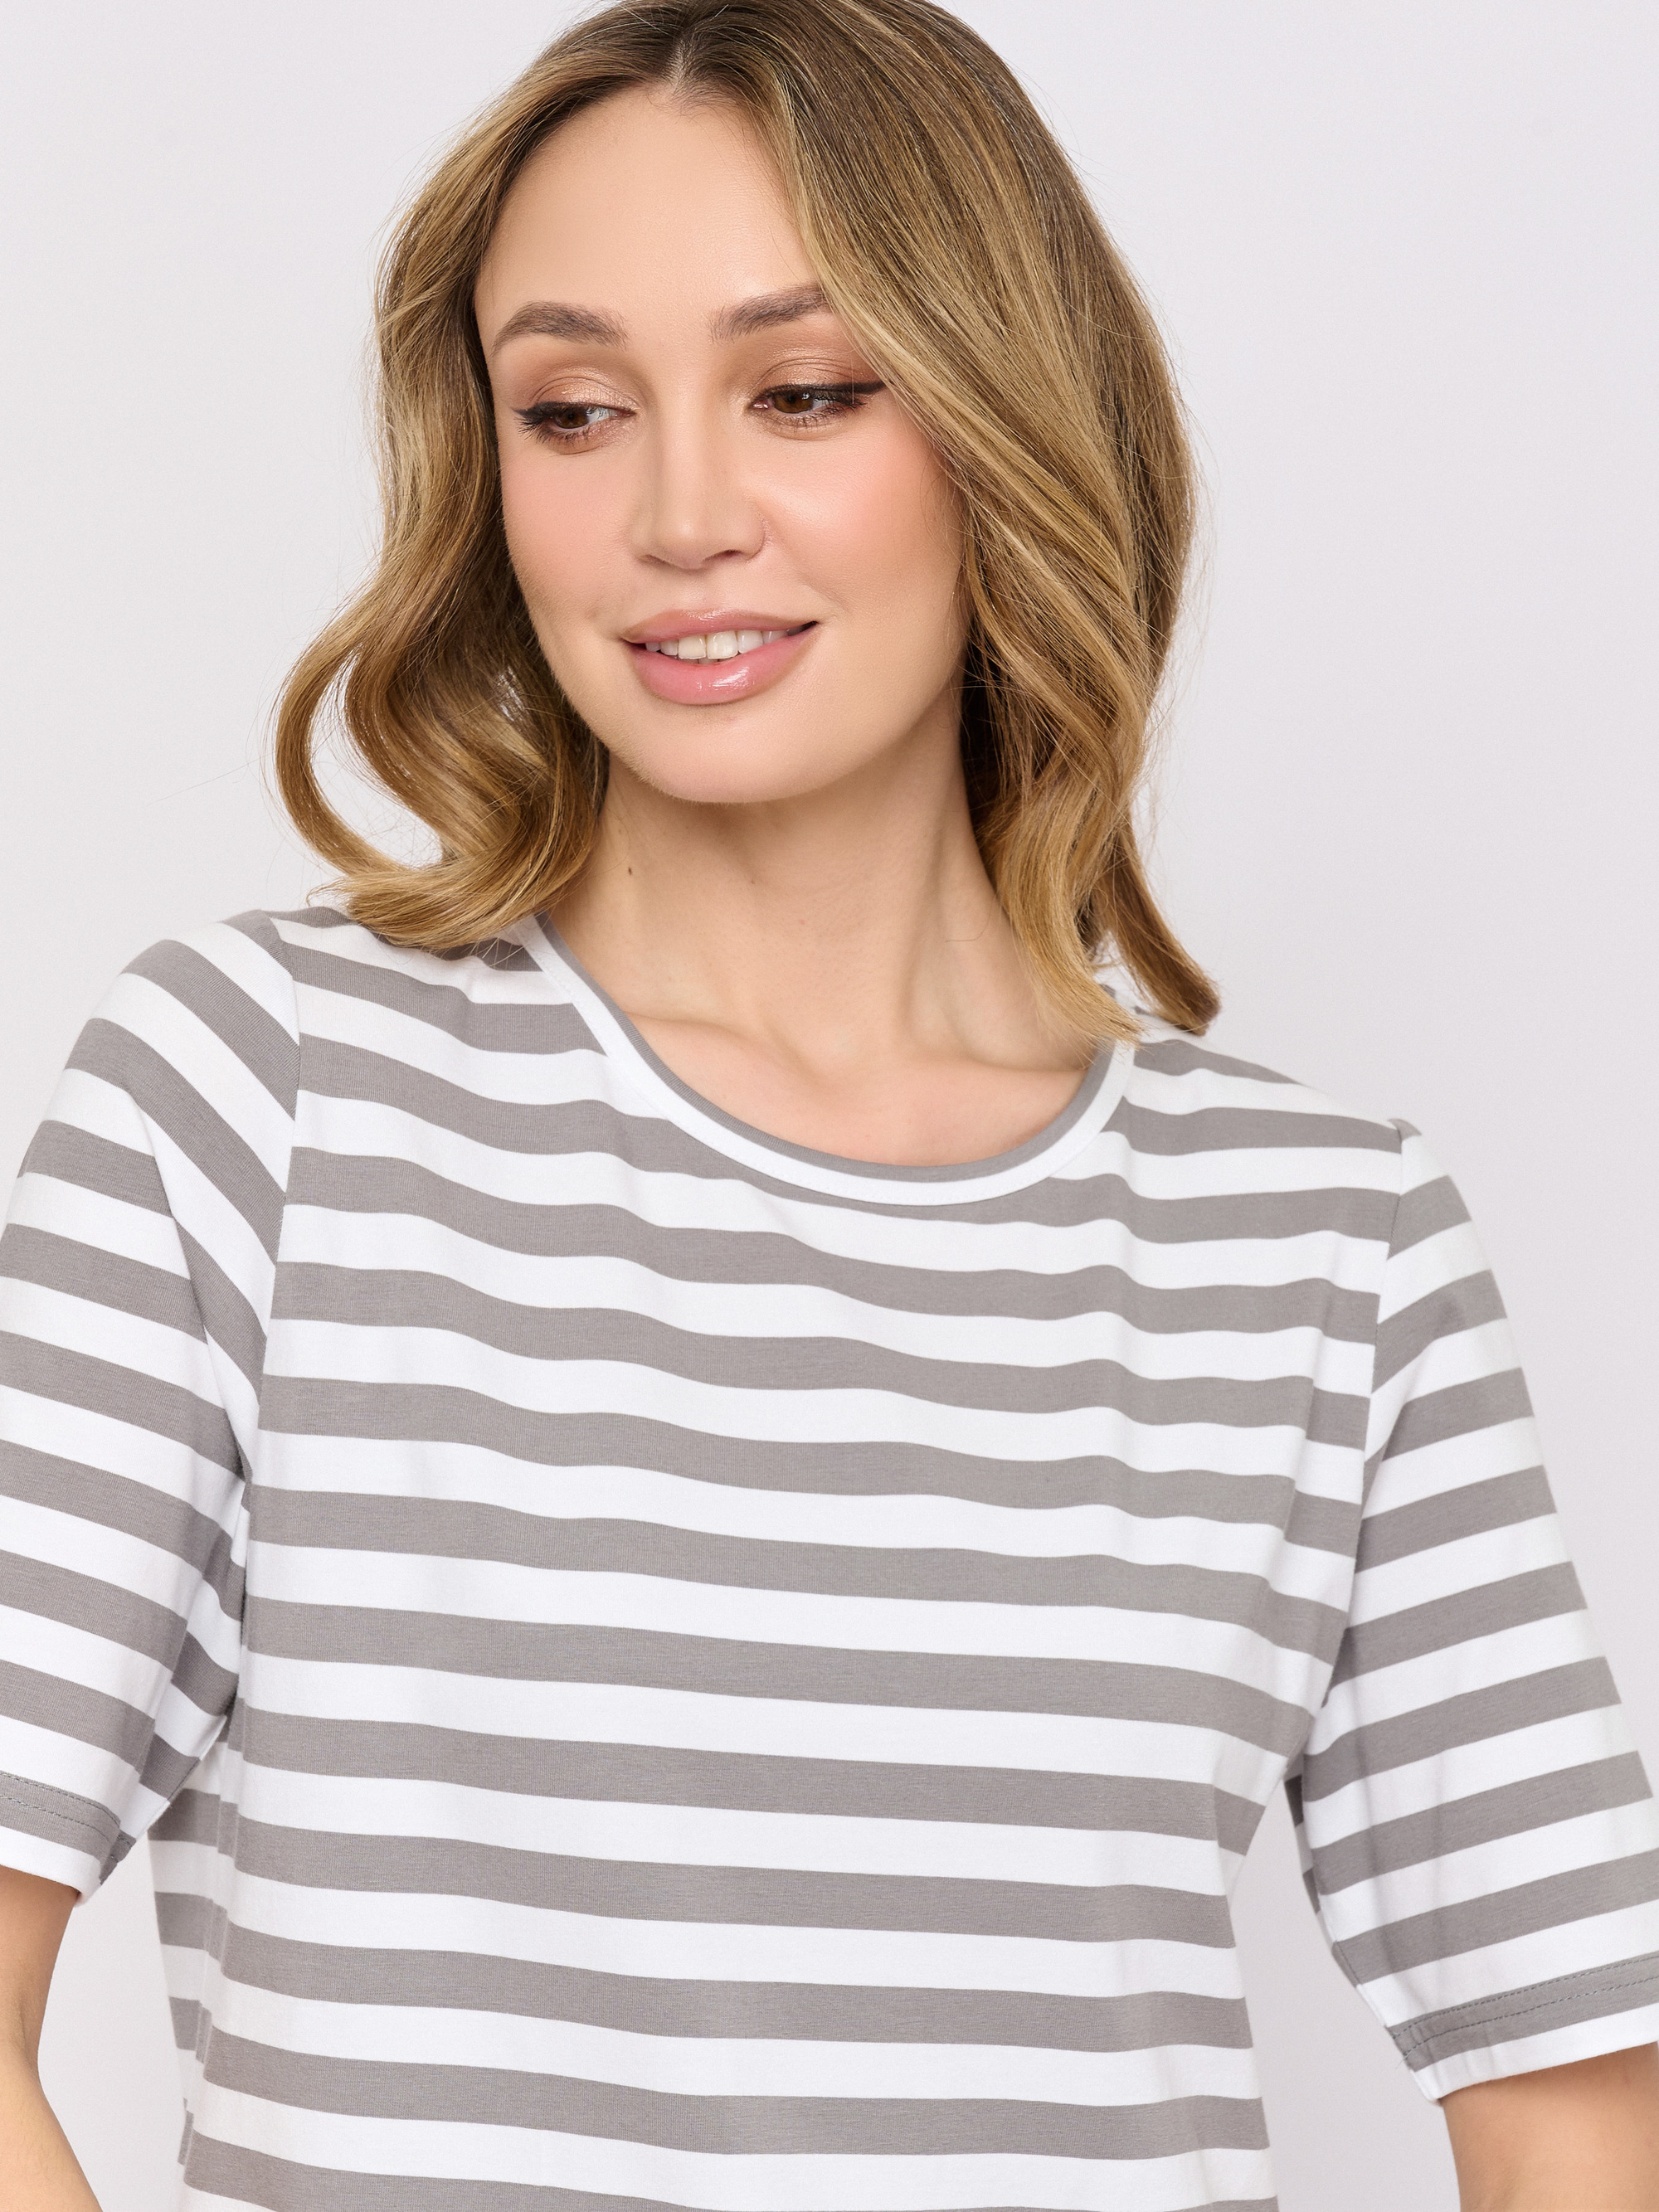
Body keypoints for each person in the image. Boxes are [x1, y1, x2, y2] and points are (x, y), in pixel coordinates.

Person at [1, 0, 1656, 2205]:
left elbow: (1573, 2105)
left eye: (805, 391)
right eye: (572, 410)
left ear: (1007, 420)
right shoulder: (259, 1103)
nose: (680, 516)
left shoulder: (1327, 1249)